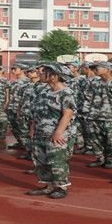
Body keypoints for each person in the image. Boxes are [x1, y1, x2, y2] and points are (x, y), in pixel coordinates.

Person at [26, 63, 77, 199]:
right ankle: (48, 185)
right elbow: (37, 112)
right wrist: (33, 128)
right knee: (41, 160)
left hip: (58, 133)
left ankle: (61, 187)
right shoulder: (44, 91)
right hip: (41, 131)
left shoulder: (66, 93)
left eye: (44, 72)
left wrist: (58, 132)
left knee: (57, 160)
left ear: (54, 76)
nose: (40, 74)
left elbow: (67, 114)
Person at [84, 61, 112, 169]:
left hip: (110, 117)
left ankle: (111, 160)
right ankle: (100, 158)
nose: (95, 70)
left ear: (108, 69)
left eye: (99, 68)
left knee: (110, 140)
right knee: (95, 139)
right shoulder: (95, 82)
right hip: (94, 115)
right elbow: (88, 97)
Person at [17, 65, 43, 161]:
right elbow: (21, 100)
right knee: (24, 134)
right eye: (28, 72)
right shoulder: (25, 86)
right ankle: (29, 151)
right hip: (25, 112)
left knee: (35, 135)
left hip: (35, 115)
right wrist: (18, 111)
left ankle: (36, 155)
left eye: (32, 72)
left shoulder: (43, 86)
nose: (29, 73)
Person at [75, 62, 99, 155]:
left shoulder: (97, 80)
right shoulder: (83, 79)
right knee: (83, 129)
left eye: (82, 68)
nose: (81, 70)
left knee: (91, 130)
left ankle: (93, 148)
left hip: (91, 109)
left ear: (87, 68)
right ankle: (86, 146)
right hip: (81, 107)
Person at [6, 63, 29, 150]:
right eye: (12, 69)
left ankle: (27, 146)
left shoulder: (27, 82)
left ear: (22, 70)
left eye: (15, 69)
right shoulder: (14, 81)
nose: (13, 71)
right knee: (13, 126)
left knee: (22, 128)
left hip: (21, 108)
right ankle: (20, 142)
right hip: (12, 107)